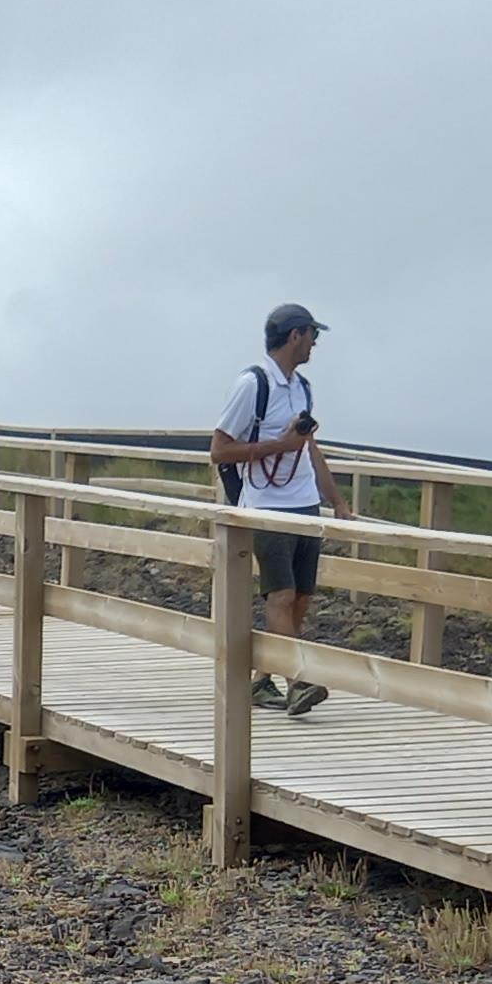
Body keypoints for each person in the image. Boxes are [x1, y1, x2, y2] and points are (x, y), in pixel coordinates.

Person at [212, 303, 332, 716]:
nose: (315, 344)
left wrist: (338, 503)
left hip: (305, 506)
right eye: (312, 335)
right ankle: (298, 680)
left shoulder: (303, 388)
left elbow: (309, 448)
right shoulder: (252, 384)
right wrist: (277, 446)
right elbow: (219, 449)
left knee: (300, 598)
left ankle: (262, 680)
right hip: (266, 506)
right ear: (295, 335)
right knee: (279, 595)